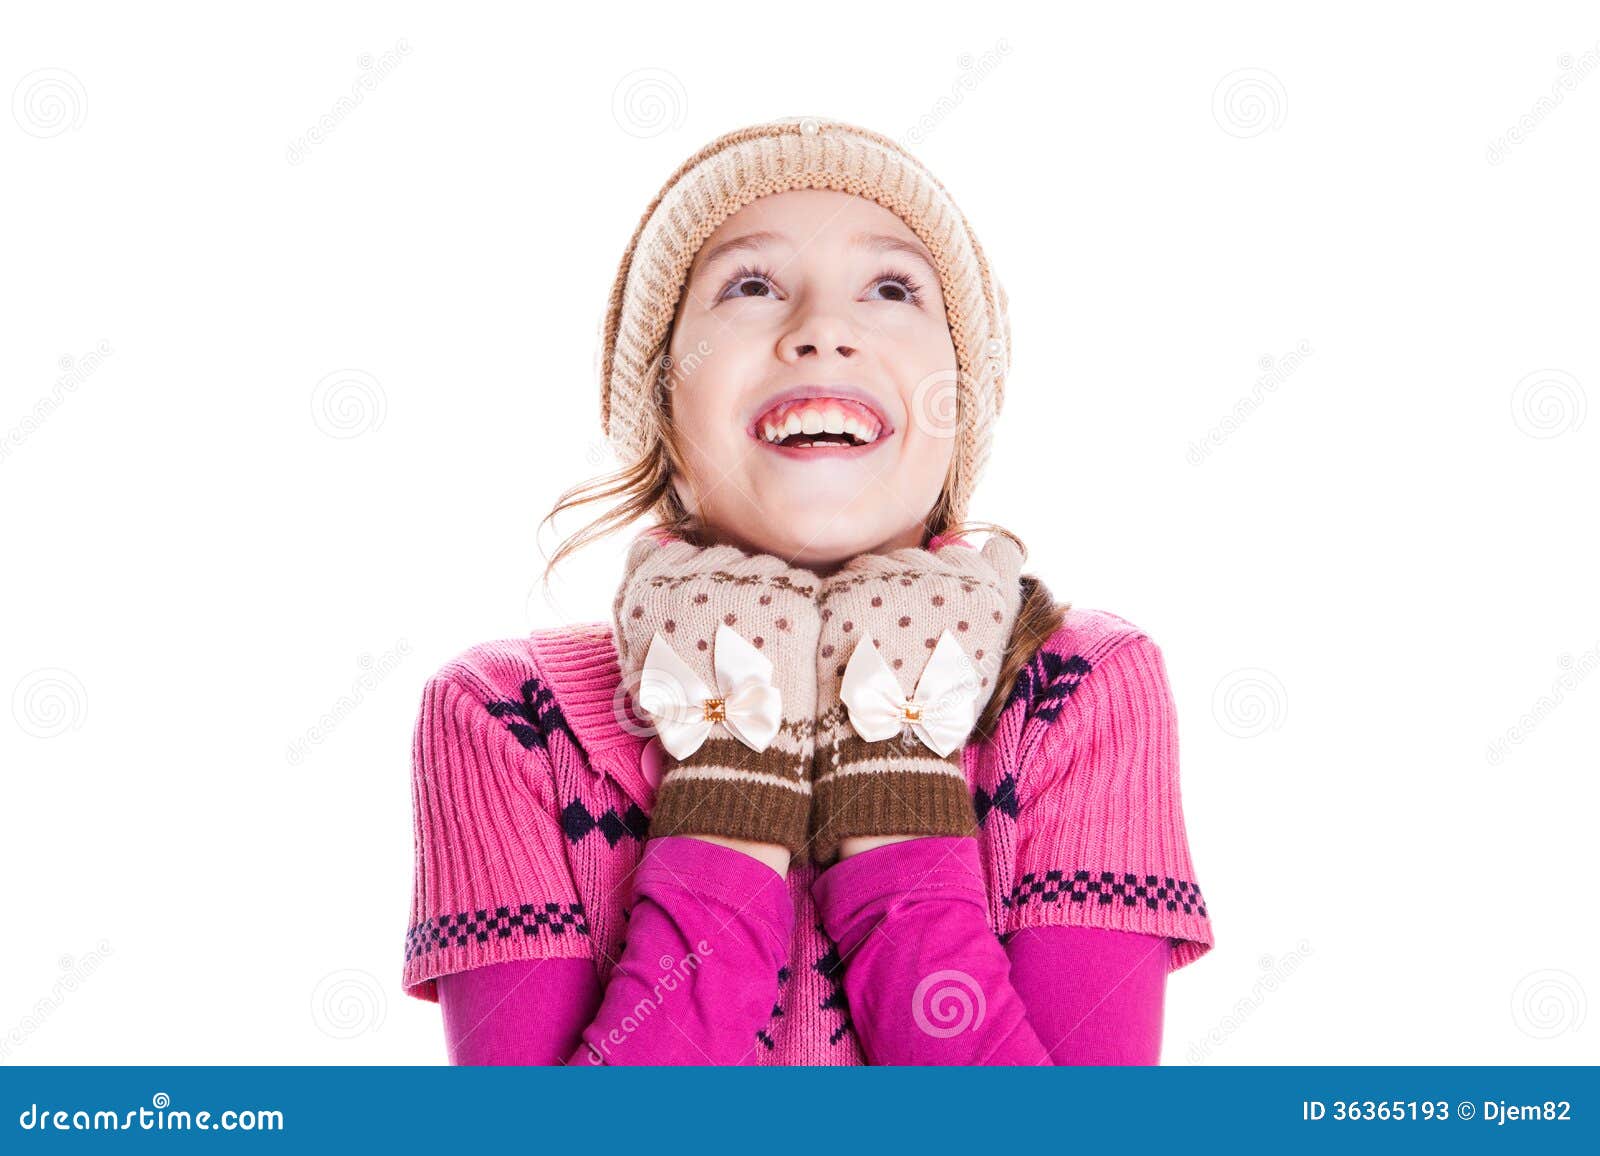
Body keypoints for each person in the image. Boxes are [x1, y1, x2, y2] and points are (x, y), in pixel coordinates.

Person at [401, 116, 1214, 1065]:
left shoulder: (1082, 690)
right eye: (751, 286)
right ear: (661, 398)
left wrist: (893, 786)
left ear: (961, 402)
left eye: (893, 288)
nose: (824, 330)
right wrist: (728, 796)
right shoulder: (507, 720)